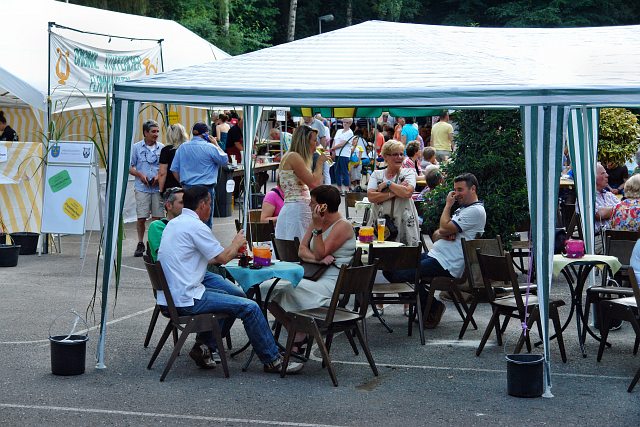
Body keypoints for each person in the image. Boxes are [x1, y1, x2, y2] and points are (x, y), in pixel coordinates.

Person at [157, 185, 303, 374]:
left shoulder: (175, 223)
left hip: (172, 295)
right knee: (250, 307)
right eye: (210, 204)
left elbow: (209, 257)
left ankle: (205, 346)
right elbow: (223, 259)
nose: (210, 208)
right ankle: (273, 360)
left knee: (235, 295)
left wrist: (233, 250)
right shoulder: (195, 226)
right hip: (185, 299)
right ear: (202, 205)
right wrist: (236, 243)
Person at [385, 173, 486, 329]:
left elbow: (443, 228)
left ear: (473, 189)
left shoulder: (475, 211)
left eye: (460, 190)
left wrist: (448, 206)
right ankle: (429, 306)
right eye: (455, 190)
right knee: (389, 267)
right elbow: (436, 234)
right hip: (436, 257)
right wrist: (444, 231)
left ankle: (432, 307)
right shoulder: (464, 209)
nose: (456, 194)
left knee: (398, 274)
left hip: (447, 264)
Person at [266, 185, 355, 352]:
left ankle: (298, 334)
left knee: (283, 289)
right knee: (267, 289)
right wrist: (317, 260)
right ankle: (296, 330)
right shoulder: (315, 222)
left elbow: (321, 252)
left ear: (323, 207)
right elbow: (302, 250)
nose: (309, 205)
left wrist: (318, 230)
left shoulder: (342, 226)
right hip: (314, 275)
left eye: (312, 202)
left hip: (333, 282)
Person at [171, 122, 228, 229]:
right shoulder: (210, 147)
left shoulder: (182, 147)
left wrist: (182, 183)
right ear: (206, 134)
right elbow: (224, 160)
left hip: (188, 187)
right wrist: (216, 144)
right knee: (205, 221)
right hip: (205, 188)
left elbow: (174, 169)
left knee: (188, 219)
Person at [275, 125, 328, 241]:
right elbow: (315, 183)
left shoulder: (290, 156)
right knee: (299, 246)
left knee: (293, 246)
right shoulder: (294, 157)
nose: (317, 144)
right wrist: (320, 162)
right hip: (297, 211)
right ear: (305, 141)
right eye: (314, 140)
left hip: (294, 209)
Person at [366, 140, 421, 247]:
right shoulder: (377, 174)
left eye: (401, 154)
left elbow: (407, 193)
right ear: (385, 156)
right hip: (381, 224)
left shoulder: (408, 173)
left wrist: (388, 184)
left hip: (403, 221)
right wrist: (396, 191)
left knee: (404, 254)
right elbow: (371, 197)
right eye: (395, 154)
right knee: (379, 253)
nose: (399, 157)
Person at [129, 120, 164, 257]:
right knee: (141, 217)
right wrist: (139, 174)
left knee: (157, 219)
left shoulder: (162, 147)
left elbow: (165, 167)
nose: (156, 134)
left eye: (157, 131)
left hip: (157, 188)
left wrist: (158, 176)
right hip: (142, 188)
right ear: (145, 133)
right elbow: (129, 166)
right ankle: (140, 243)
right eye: (153, 131)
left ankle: (153, 244)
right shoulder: (136, 148)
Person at [595, 162, 621, 253]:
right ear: (593, 177)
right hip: (598, 239)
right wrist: (619, 209)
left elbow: (623, 210)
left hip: (615, 237)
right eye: (603, 173)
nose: (607, 175)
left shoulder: (609, 195)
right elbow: (599, 214)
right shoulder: (587, 197)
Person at [158, 123, 188, 195]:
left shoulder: (166, 150)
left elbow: (162, 173)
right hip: (187, 184)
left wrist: (161, 190)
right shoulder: (187, 148)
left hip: (170, 187)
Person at [330, 118, 354, 194]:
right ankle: (339, 188)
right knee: (337, 171)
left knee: (344, 171)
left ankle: (346, 189)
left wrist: (332, 148)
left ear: (350, 123)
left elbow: (342, 144)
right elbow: (334, 141)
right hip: (337, 153)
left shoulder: (350, 133)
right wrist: (333, 150)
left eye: (347, 122)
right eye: (344, 122)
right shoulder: (339, 131)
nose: (345, 124)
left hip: (344, 154)